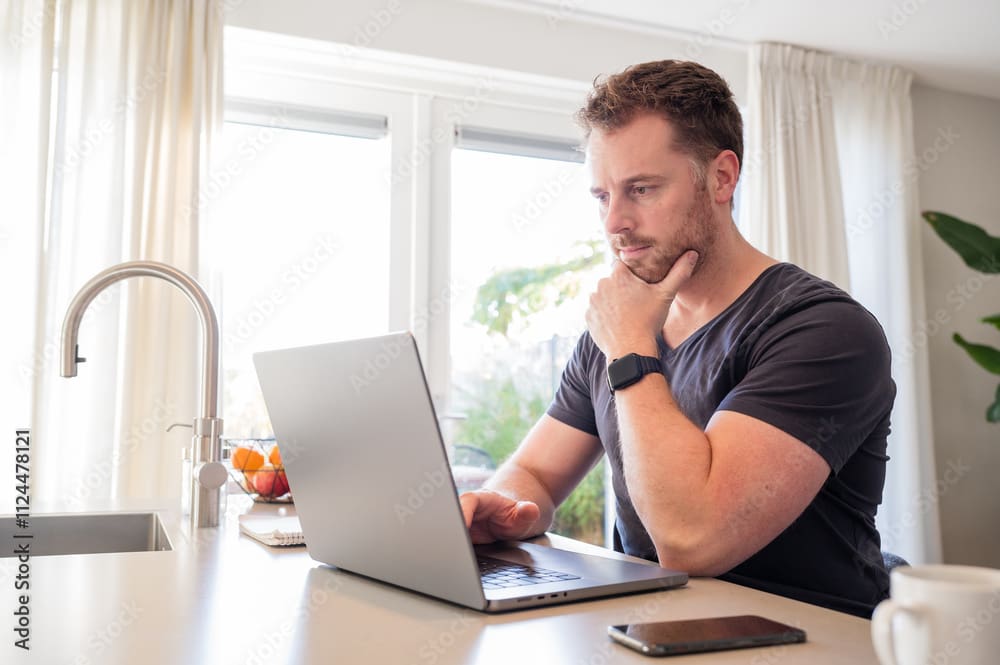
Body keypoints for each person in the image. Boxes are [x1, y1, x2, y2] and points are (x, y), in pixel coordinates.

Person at [459, 59, 895, 618]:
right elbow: (538, 474)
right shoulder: (621, 327)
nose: (614, 221)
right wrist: (505, 506)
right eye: (601, 196)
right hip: (654, 630)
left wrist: (630, 347)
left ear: (721, 177)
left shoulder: (823, 330)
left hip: (804, 641)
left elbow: (692, 540)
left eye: (641, 188)